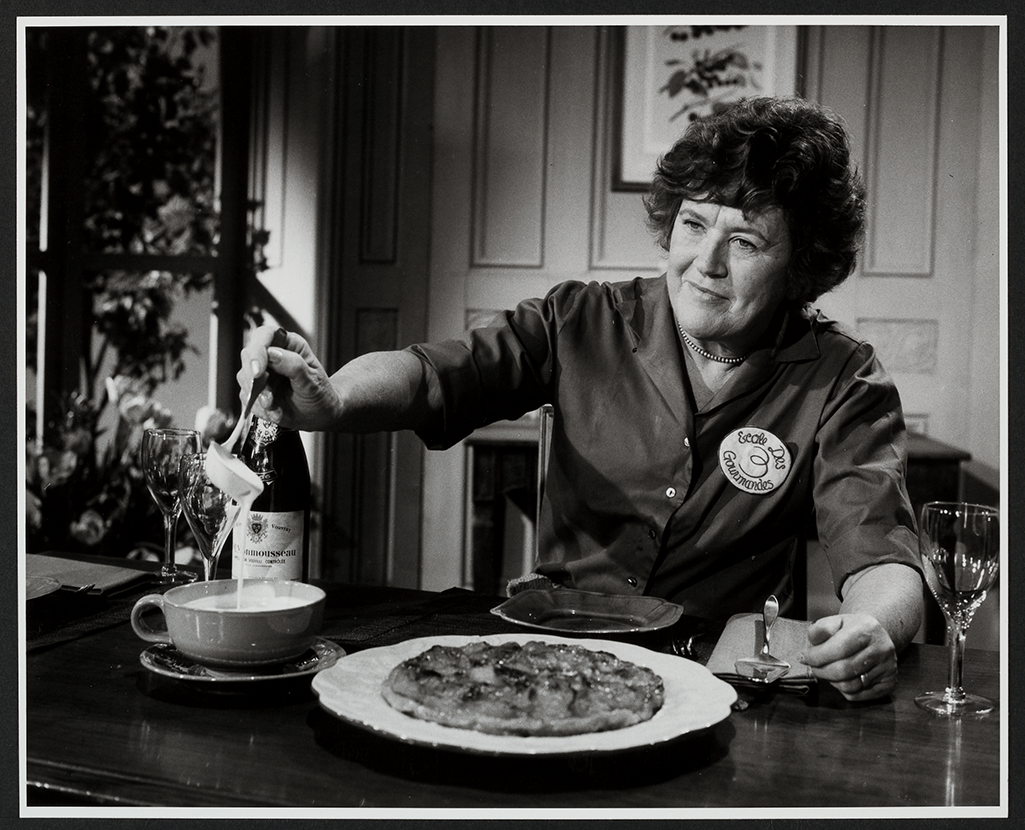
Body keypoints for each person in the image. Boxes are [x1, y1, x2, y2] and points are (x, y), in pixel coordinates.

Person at [238, 96, 923, 702]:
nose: (704, 263)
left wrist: (871, 629)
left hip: (722, 678)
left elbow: (879, 557)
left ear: (801, 264)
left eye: (743, 240)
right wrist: (331, 402)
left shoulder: (842, 379)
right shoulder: (580, 320)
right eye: (692, 225)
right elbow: (433, 375)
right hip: (545, 658)